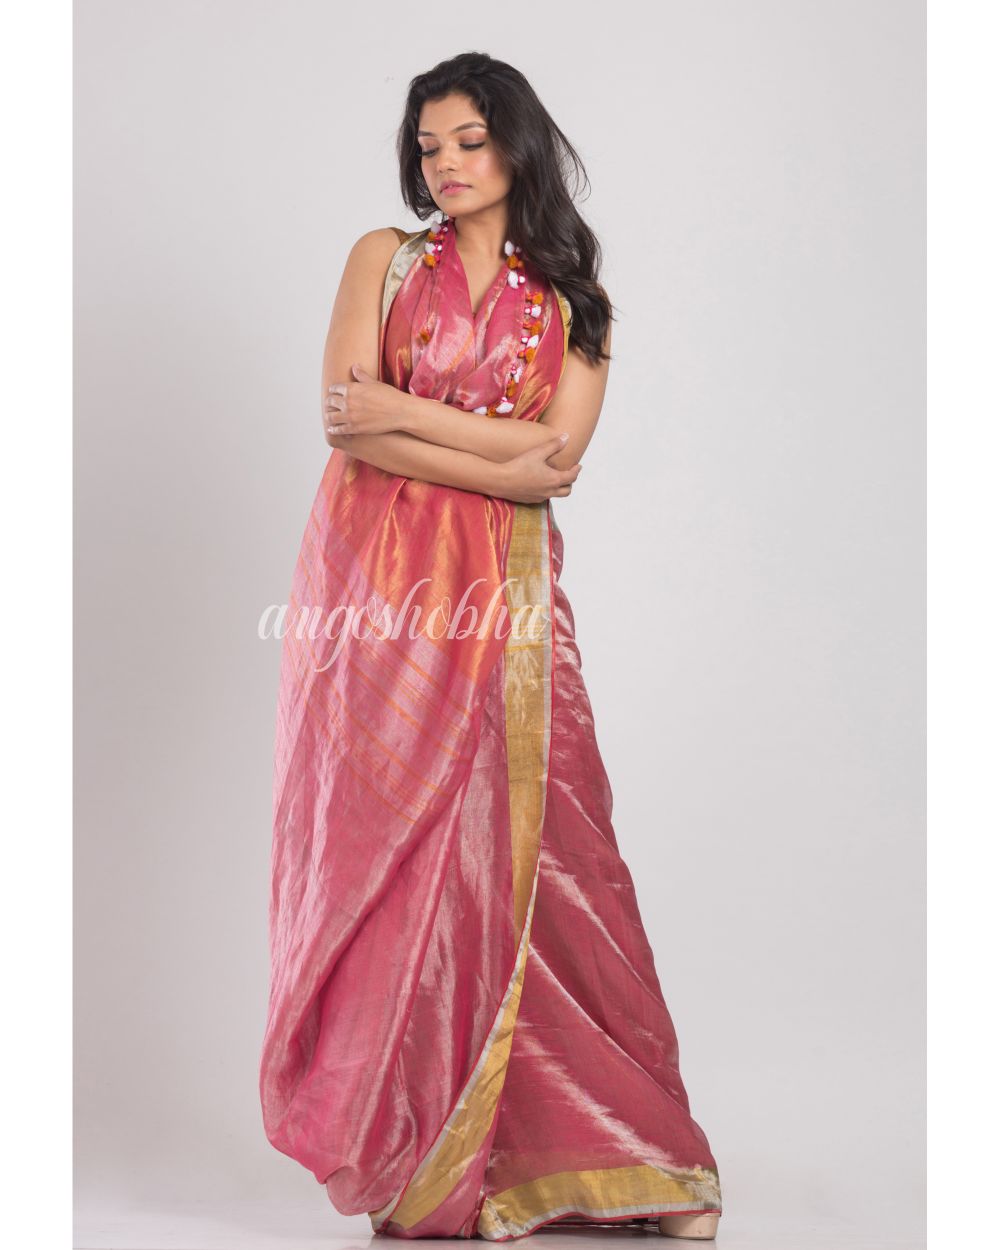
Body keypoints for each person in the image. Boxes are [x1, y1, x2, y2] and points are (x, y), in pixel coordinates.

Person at [259, 51, 724, 1242]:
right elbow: (347, 426)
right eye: (429, 146)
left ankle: (630, 1153)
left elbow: (554, 466)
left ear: (517, 144)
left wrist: (406, 414)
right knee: (389, 856)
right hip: (374, 599)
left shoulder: (574, 302)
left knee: (551, 854)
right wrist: (491, 450)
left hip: (506, 601)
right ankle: (421, 1150)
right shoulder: (383, 259)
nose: (446, 164)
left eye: (469, 140)